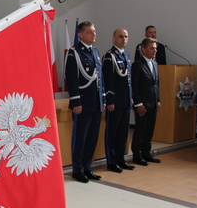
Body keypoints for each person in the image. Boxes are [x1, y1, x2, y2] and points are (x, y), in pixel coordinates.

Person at [65, 21, 105, 183]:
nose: (93, 34)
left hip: (95, 102)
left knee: (92, 137)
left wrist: (102, 99)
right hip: (83, 102)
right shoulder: (75, 53)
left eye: (94, 31)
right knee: (80, 138)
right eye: (89, 32)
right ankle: (78, 169)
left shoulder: (95, 52)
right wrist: (76, 102)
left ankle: (87, 167)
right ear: (80, 34)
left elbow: (100, 79)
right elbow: (72, 79)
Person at [102, 28, 135, 173]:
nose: (124, 39)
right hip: (115, 102)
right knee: (112, 133)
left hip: (126, 101)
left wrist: (131, 97)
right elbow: (108, 80)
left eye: (126, 36)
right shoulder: (110, 56)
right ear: (114, 38)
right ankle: (112, 161)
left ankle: (121, 159)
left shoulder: (126, 55)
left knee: (123, 133)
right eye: (121, 36)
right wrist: (110, 100)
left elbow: (129, 80)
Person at [131, 37, 162, 166]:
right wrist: (138, 103)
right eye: (151, 48)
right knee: (140, 129)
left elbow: (157, 84)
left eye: (155, 48)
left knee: (149, 129)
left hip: (153, 103)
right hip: (142, 104)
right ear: (143, 49)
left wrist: (158, 100)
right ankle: (137, 155)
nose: (154, 51)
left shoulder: (155, 64)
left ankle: (146, 153)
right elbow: (134, 85)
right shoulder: (137, 65)